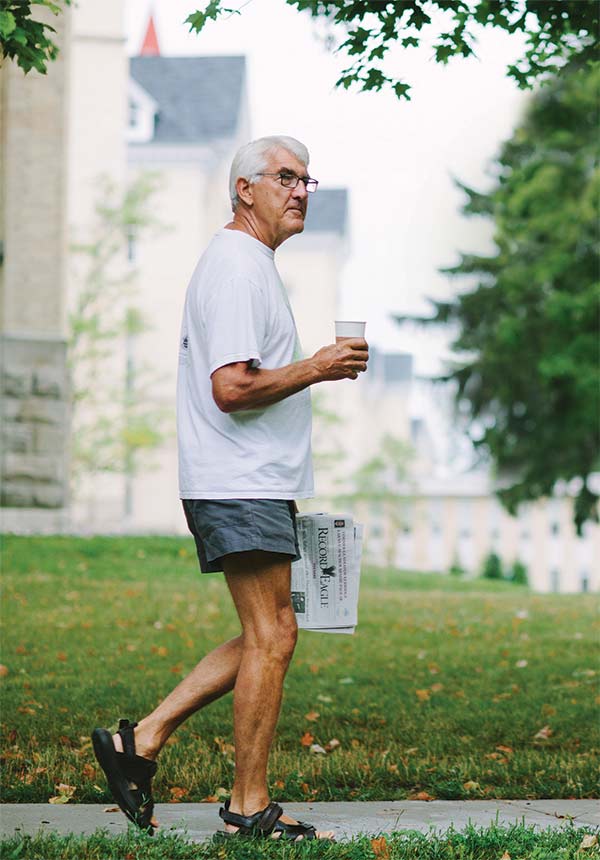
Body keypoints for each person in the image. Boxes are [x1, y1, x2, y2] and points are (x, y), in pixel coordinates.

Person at [92, 134, 369, 842]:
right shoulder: (239, 266)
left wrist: (315, 370)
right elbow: (232, 386)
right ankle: (248, 807)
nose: (302, 190)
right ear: (245, 189)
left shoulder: (249, 264)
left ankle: (141, 741)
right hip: (236, 478)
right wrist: (318, 366)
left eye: (308, 179)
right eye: (286, 177)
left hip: (250, 478)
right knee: (273, 634)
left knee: (268, 632)